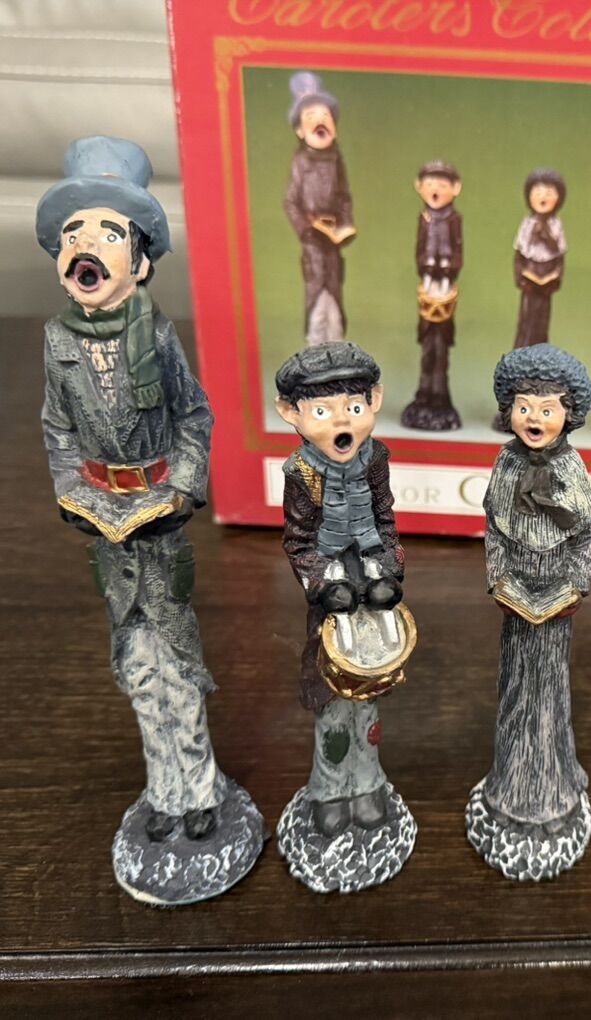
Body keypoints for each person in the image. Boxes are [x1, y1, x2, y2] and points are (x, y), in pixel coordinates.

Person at [36, 135, 265, 904]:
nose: (86, 248)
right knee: (135, 665)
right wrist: (71, 491)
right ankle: (163, 793)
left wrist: (183, 489)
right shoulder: (57, 342)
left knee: (175, 661)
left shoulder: (156, 336)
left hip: (158, 519)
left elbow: (194, 416)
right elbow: (57, 429)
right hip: (105, 524)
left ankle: (199, 792)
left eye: (108, 234)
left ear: (139, 262)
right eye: (73, 235)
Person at [275, 341, 416, 892]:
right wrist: (321, 586)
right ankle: (330, 788)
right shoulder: (301, 473)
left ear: (374, 402)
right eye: (322, 410)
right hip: (331, 590)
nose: (341, 422)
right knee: (333, 698)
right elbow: (297, 541)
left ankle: (368, 781)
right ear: (292, 414)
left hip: (371, 580)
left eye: (353, 408)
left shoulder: (375, 460)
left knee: (371, 693)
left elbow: (386, 519)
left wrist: (390, 570)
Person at [466, 344, 591, 881]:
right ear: (509, 411)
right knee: (516, 691)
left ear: (569, 413)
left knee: (549, 694)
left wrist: (574, 585)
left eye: (547, 409)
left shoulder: (571, 467)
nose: (534, 419)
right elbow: (494, 531)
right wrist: (499, 578)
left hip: (558, 601)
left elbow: (584, 535)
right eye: (525, 407)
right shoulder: (505, 464)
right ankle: (509, 788)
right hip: (516, 598)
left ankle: (553, 790)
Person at [283, 71, 356, 345]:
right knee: (317, 306)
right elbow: (290, 201)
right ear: (300, 131)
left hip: (332, 243)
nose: (320, 122)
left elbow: (344, 197)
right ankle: (316, 356)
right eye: (311, 117)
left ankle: (337, 356)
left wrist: (345, 225)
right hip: (313, 242)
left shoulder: (337, 160)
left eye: (326, 116)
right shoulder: (300, 162)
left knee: (335, 309)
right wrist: (306, 228)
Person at [401, 160, 463, 430]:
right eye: (430, 184)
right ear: (419, 187)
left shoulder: (454, 220)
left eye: (442, 185)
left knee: (441, 346)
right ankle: (425, 391)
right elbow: (419, 248)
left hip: (446, 281)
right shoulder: (424, 218)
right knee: (428, 345)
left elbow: (458, 250)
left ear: (456, 188)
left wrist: (450, 268)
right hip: (428, 280)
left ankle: (440, 394)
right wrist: (424, 266)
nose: (435, 190)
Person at [512, 168, 567, 349]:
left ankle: (540, 349)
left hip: (547, 274)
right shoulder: (528, 223)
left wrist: (555, 276)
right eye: (537, 192)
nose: (543, 197)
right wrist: (520, 276)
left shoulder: (556, 225)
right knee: (527, 316)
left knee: (542, 317)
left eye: (549, 193)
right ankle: (522, 350)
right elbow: (519, 252)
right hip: (530, 272)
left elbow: (559, 254)